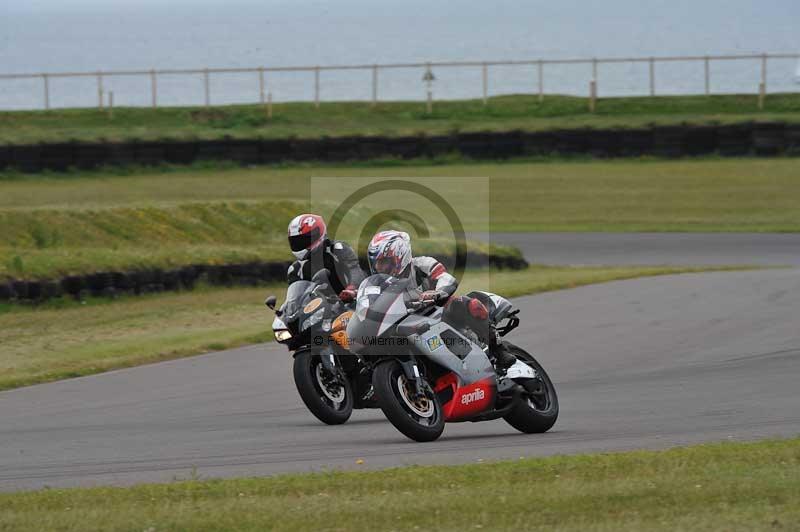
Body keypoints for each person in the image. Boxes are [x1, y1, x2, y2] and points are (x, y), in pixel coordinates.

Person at [366, 229, 517, 369]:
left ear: (400, 255)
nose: (381, 269)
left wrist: (436, 293)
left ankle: (499, 349)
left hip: (440, 315)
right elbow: (371, 303)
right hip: (410, 327)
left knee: (463, 303)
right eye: (378, 265)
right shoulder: (380, 285)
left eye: (385, 262)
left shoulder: (421, 265)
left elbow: (446, 279)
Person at [286, 213, 365, 302]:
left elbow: (355, 271)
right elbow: (294, 300)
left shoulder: (338, 249)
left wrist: (350, 290)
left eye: (303, 240)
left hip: (347, 305)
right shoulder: (295, 269)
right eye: (296, 242)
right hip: (315, 311)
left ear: (317, 234)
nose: (300, 245)